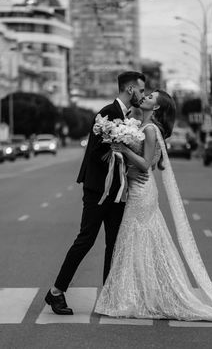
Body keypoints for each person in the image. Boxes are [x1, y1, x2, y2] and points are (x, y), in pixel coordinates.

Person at [95, 89, 212, 323]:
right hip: (137, 189)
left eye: (150, 97)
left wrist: (124, 149)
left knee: (135, 238)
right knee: (137, 240)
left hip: (142, 190)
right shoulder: (139, 125)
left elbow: (145, 164)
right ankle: (137, 294)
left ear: (157, 108)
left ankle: (138, 296)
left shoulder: (150, 130)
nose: (146, 97)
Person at [45, 71, 146, 315]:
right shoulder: (108, 113)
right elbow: (96, 154)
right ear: (130, 89)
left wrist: (125, 157)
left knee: (114, 244)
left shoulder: (125, 116)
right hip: (99, 190)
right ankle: (56, 292)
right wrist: (123, 158)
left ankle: (109, 297)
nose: (142, 95)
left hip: (116, 191)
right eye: (141, 90)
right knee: (85, 240)